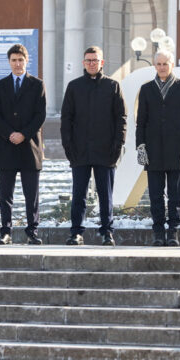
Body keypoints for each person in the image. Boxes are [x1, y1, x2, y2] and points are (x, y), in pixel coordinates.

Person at [60, 46, 126, 245]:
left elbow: (121, 118)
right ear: (83, 63)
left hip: (106, 151)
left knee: (105, 195)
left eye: (95, 60)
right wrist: (68, 146)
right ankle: (76, 233)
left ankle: (107, 232)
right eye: (88, 60)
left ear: (102, 63)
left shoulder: (113, 86)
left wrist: (118, 145)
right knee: (78, 194)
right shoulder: (74, 87)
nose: (91, 63)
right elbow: (66, 119)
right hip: (79, 151)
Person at [135, 51, 180, 246]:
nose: (162, 67)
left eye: (165, 63)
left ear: (172, 64)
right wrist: (141, 146)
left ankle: (173, 232)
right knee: (155, 195)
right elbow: (141, 122)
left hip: (176, 151)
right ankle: (158, 232)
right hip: (153, 152)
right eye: (159, 64)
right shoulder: (146, 89)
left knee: (175, 195)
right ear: (155, 65)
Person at [0, 44, 46, 245]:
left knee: (31, 194)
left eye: (20, 60)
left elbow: (40, 115)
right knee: (5, 194)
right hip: (6, 146)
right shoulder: (0, 86)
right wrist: (10, 134)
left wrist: (23, 134)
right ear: (9, 62)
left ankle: (32, 231)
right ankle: (6, 231)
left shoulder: (37, 85)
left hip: (29, 146)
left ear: (26, 60)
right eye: (13, 60)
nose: (17, 63)